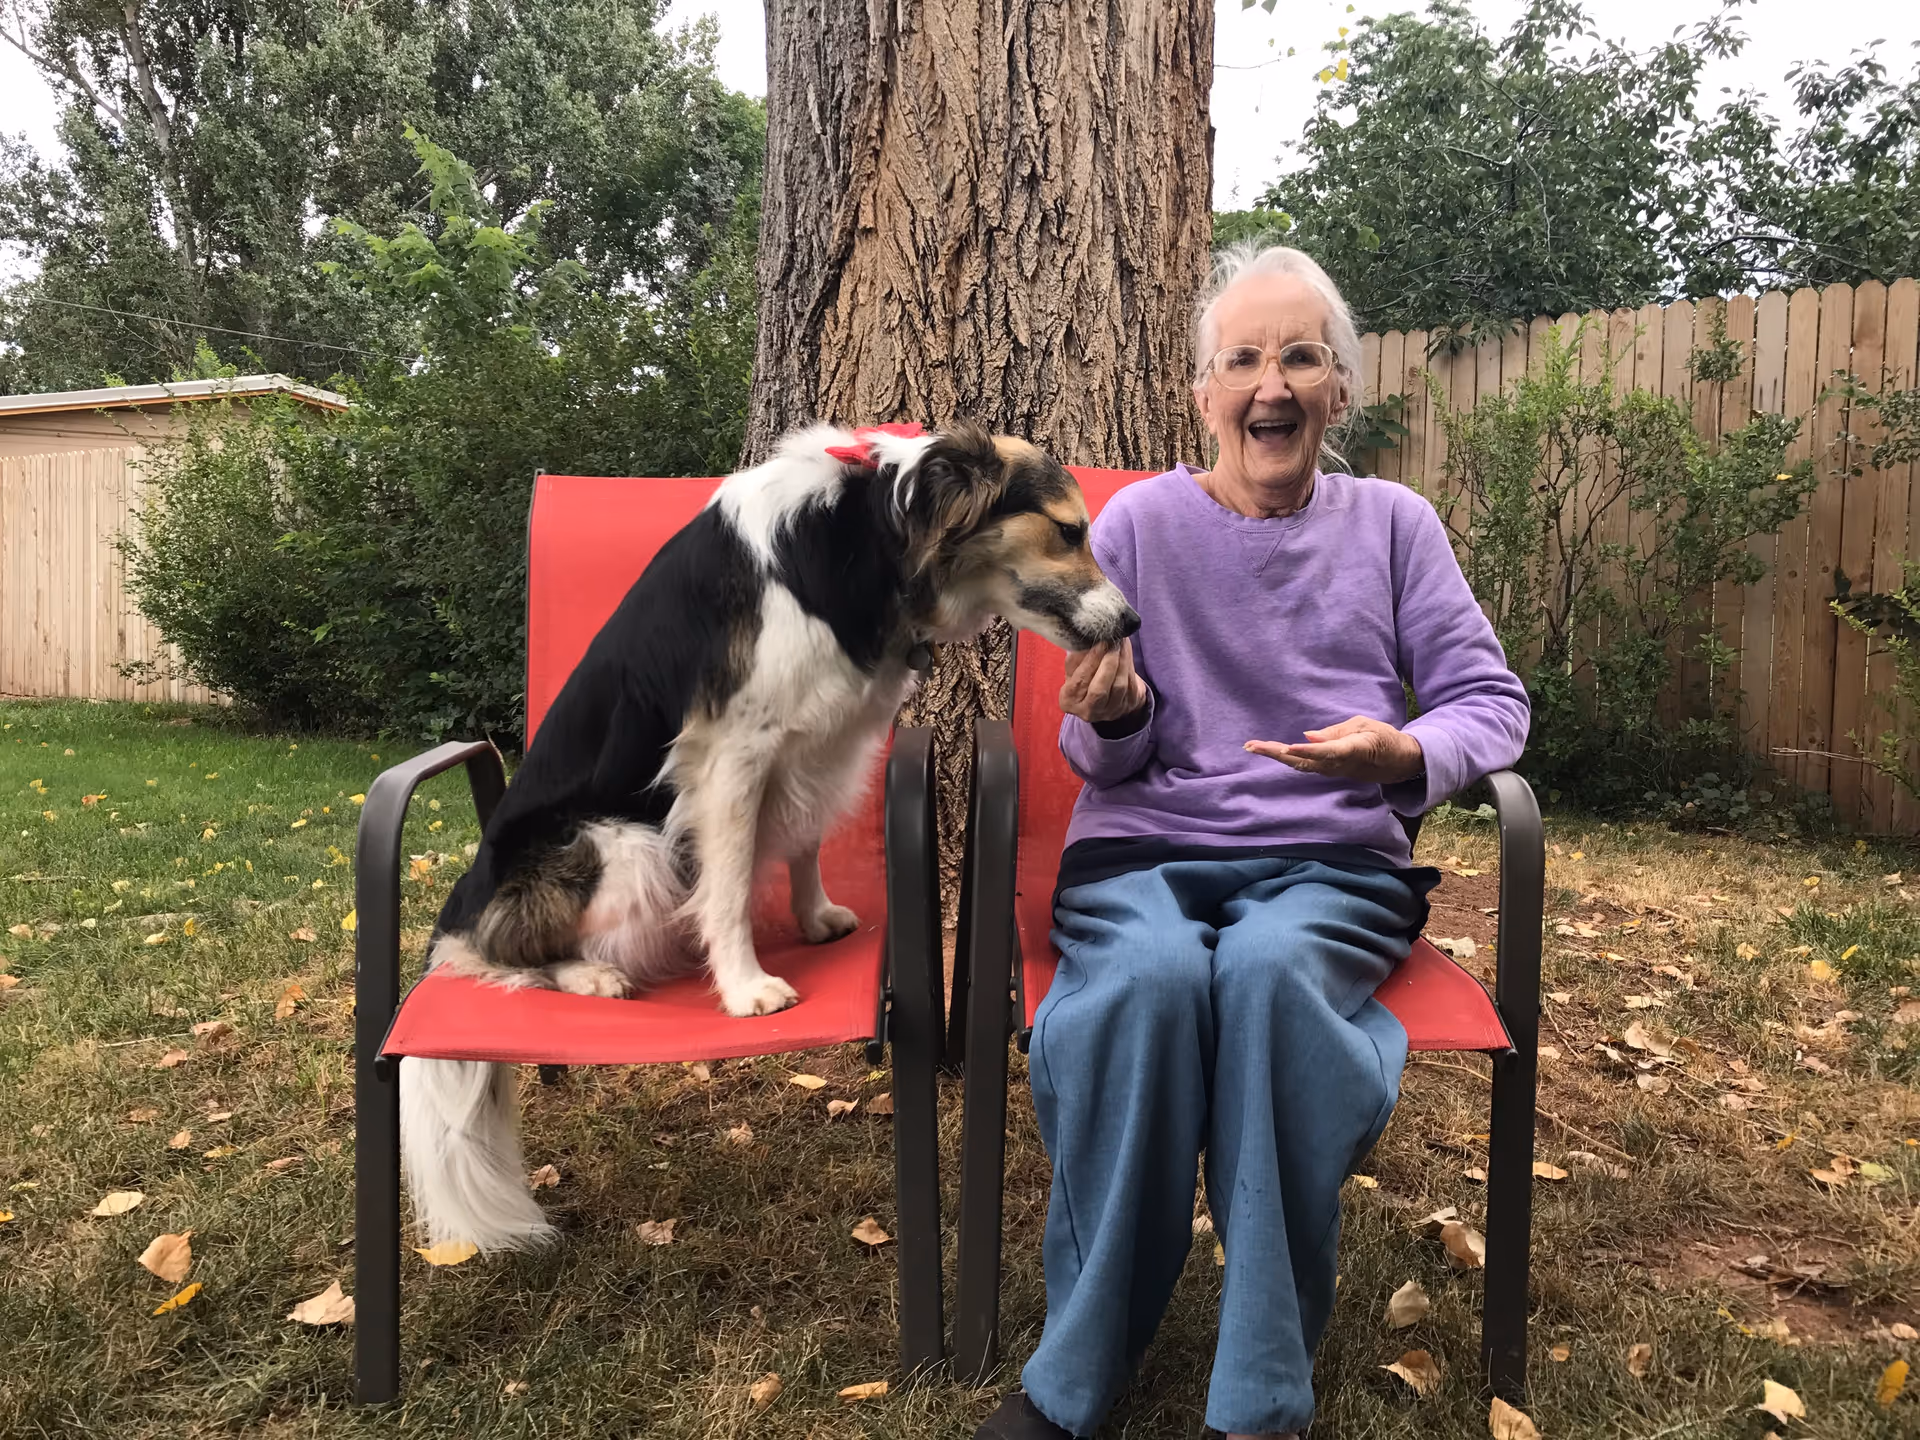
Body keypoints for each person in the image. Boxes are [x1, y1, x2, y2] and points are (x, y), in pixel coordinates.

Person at [973, 244, 1531, 1440]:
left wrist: (1403, 753)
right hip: (1145, 854)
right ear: (1203, 395)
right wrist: (1118, 715)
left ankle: (1261, 1400)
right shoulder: (1139, 525)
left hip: (1330, 867)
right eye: (1242, 361)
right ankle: (1075, 1379)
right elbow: (1099, 756)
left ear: (1340, 389)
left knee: (1274, 977)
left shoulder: (1396, 525)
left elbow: (1492, 702)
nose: (1270, 385)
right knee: (1148, 982)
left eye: (1300, 357)